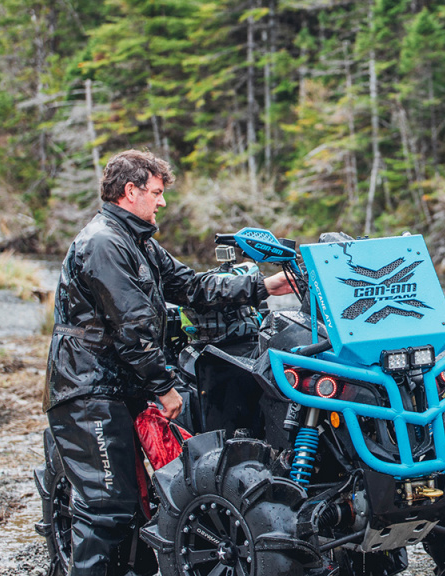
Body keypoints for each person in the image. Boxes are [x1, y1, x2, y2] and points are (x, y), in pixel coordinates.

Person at [43, 149, 293, 576]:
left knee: (133, 508)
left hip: (119, 388)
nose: (161, 202)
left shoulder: (138, 243)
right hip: (88, 393)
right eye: (156, 193)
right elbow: (133, 326)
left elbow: (193, 286)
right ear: (130, 191)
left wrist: (264, 285)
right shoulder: (103, 243)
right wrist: (164, 386)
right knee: (106, 509)